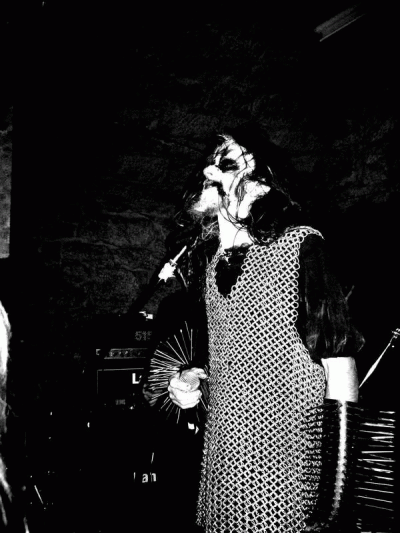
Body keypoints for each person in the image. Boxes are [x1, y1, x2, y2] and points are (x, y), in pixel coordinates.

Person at [165, 123, 364, 533]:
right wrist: (188, 381)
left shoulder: (302, 247)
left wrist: (335, 493)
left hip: (289, 476)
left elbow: (339, 362)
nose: (210, 170)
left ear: (262, 180)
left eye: (227, 161)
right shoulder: (210, 269)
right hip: (222, 471)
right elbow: (225, 361)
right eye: (213, 162)